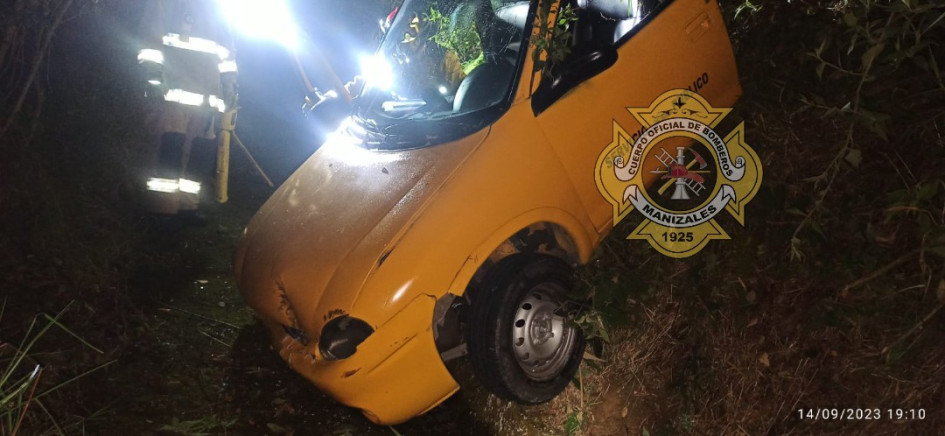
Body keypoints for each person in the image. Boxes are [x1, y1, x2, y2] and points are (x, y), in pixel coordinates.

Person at [137, 0, 237, 224]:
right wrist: (153, 75)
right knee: (169, 149)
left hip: (207, 100)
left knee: (198, 156)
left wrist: (229, 84)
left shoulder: (218, 8)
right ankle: (162, 210)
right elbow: (151, 38)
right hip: (172, 94)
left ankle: (188, 207)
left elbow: (227, 53)